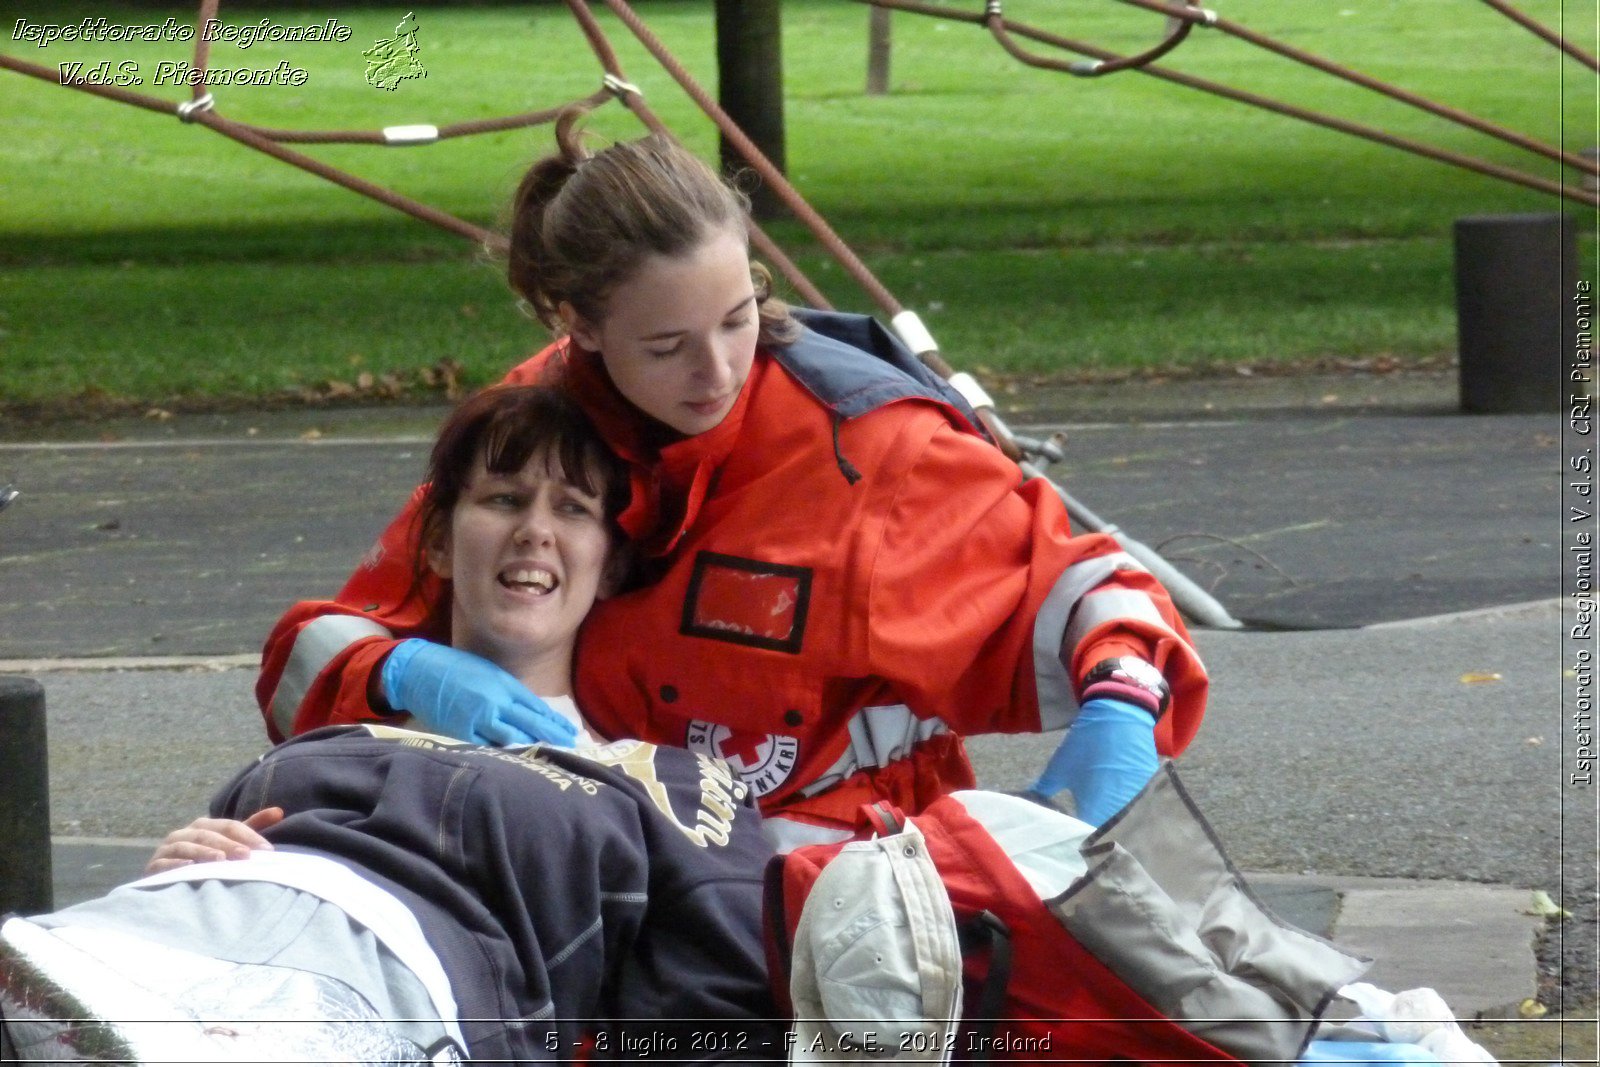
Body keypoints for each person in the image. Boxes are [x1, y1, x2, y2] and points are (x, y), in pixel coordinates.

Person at [257, 106, 1211, 847]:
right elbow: (315, 660)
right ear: (577, 327)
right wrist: (401, 669)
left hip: (841, 890)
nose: (716, 373)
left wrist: (1124, 708)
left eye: (738, 316)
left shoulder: (870, 446)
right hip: (592, 873)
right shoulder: (531, 435)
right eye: (667, 345)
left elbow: (1098, 593)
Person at [1, 386, 781, 1065]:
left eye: (572, 508)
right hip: (172, 930)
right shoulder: (347, 725)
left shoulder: (650, 777)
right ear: (439, 541)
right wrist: (184, 854)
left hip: (395, 983)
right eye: (504, 498)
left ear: (608, 564)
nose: (535, 529)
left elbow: (713, 1016)